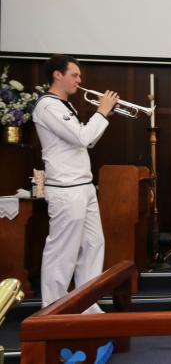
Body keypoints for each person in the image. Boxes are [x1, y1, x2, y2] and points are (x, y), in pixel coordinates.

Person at [33, 54, 119, 312]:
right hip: (66, 189)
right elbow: (82, 137)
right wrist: (102, 111)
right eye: (74, 75)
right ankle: (53, 311)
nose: (79, 81)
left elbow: (87, 141)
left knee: (93, 246)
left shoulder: (63, 105)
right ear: (57, 75)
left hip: (83, 186)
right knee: (62, 253)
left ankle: (86, 305)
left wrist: (101, 116)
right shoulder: (48, 106)